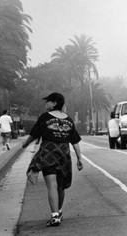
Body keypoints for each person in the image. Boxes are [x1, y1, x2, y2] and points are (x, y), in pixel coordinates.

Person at [17, 92, 83, 227]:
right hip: (64, 154)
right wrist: (79, 158)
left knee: (52, 185)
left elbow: (34, 134)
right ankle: (58, 211)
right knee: (60, 186)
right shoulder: (69, 120)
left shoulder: (45, 117)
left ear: (54, 103)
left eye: (48, 101)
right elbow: (75, 141)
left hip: (48, 153)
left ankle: (55, 216)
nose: (46, 104)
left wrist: (25, 144)